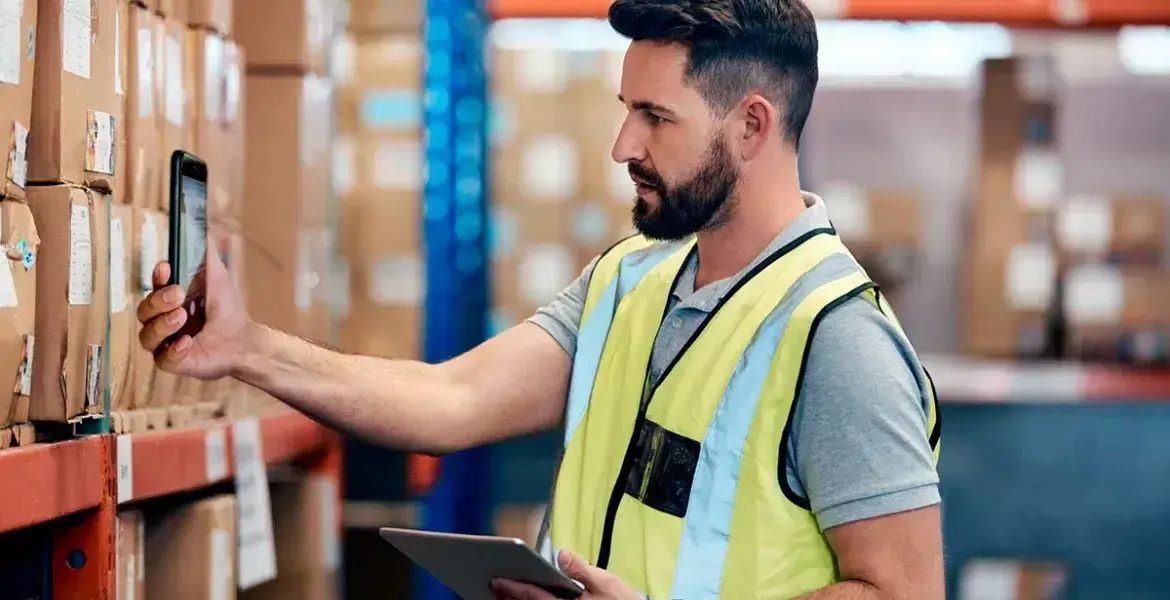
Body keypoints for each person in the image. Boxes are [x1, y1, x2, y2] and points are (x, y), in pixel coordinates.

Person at [138, 0, 943, 597]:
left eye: (655, 117)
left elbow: (902, 593)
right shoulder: (627, 282)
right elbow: (451, 398)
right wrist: (248, 348)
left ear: (752, 126)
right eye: (626, 111)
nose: (623, 145)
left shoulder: (836, 339)